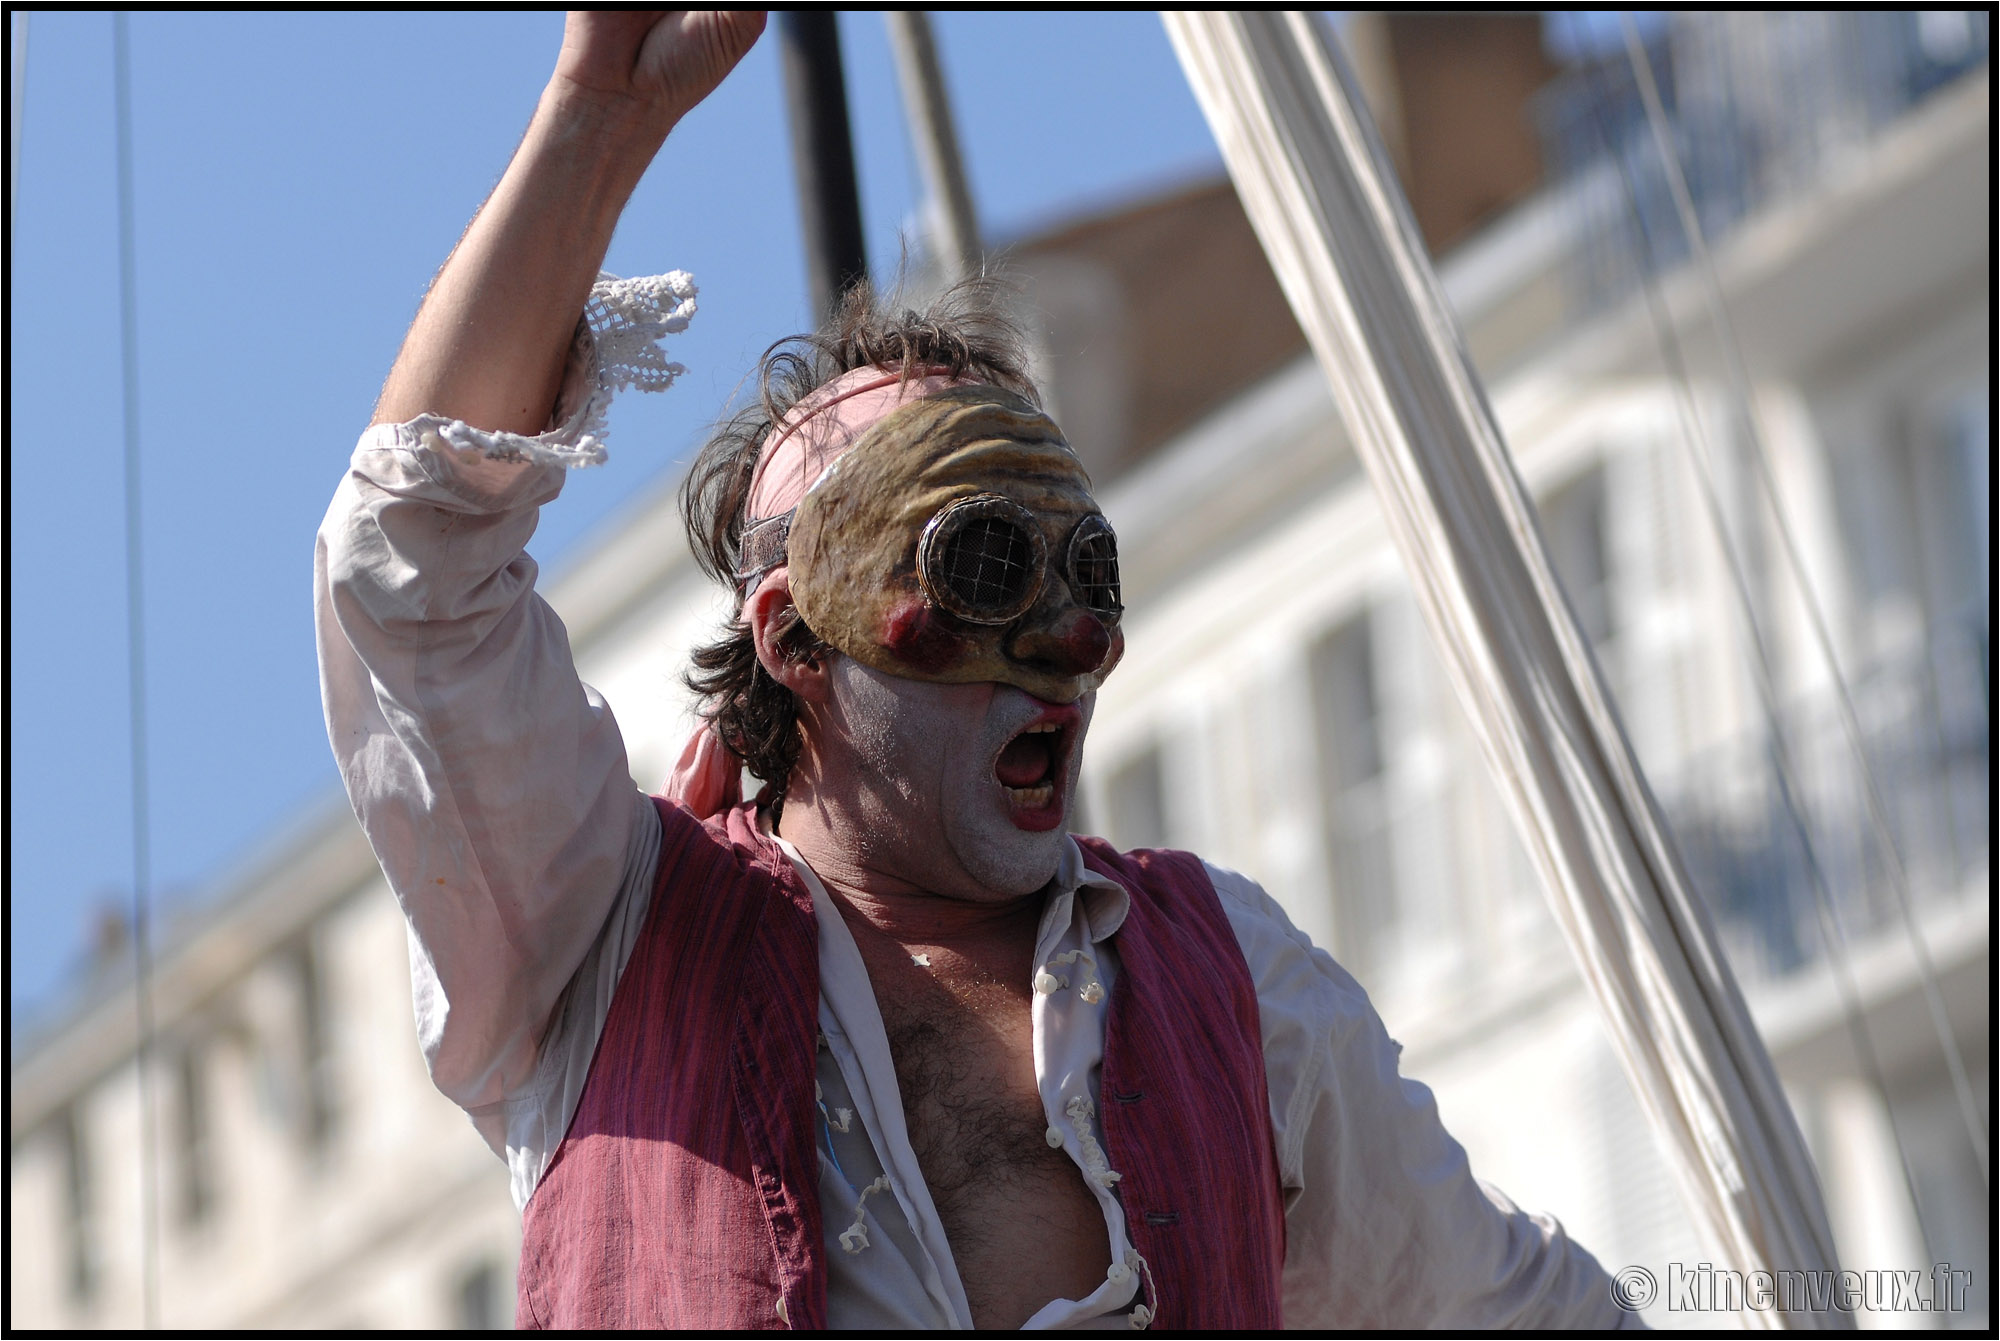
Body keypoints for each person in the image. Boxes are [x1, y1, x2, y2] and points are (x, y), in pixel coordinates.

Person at [316, 10, 1638, 1331]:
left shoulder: (1236, 982)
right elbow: (405, 563)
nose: (1075, 639)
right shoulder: (596, 941)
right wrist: (598, 118)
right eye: (985, 566)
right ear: (791, 638)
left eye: (1089, 571)